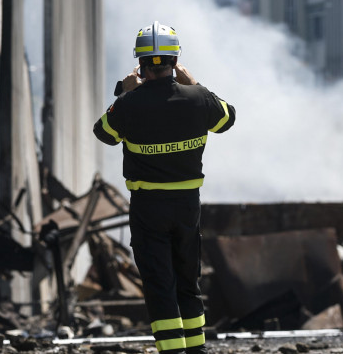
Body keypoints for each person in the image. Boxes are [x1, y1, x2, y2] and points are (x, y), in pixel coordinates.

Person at [93, 21, 236, 354]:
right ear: (175, 61)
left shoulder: (129, 104)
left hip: (148, 208)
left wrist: (124, 93)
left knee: (160, 285)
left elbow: (104, 133)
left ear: (140, 65)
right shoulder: (199, 98)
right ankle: (196, 350)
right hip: (188, 207)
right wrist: (195, 83)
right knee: (188, 283)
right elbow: (226, 120)